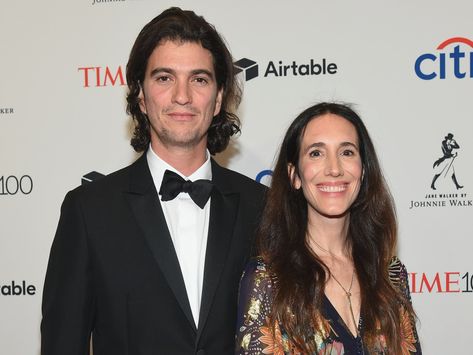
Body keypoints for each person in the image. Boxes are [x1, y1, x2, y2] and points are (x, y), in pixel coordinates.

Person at [41, 7, 265, 355]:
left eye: (199, 79)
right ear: (141, 97)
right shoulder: (89, 211)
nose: (182, 96)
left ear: (219, 98)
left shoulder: (262, 206)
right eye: (164, 78)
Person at [236, 103, 421, 354]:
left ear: (363, 171)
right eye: (316, 153)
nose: (334, 169)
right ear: (295, 176)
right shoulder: (267, 279)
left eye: (347, 152)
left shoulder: (392, 275)